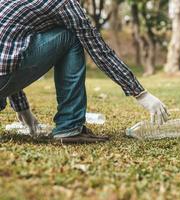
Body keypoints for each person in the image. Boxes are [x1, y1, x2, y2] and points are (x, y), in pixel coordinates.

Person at [0, 0, 168, 143]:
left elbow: (11, 51)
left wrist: (23, 111)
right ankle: (69, 126)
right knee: (72, 36)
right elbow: (98, 50)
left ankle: (68, 124)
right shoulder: (64, 3)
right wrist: (140, 93)